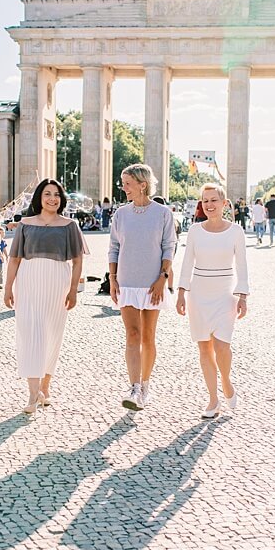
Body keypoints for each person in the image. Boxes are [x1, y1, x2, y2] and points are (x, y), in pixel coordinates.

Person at [3, 179, 87, 414]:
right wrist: (8, 287)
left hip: (57, 282)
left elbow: (78, 260)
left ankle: (45, 387)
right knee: (30, 333)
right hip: (29, 281)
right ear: (39, 197)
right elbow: (14, 259)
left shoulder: (70, 225)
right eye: (48, 194)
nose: (52, 199)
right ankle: (32, 393)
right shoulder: (25, 224)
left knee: (52, 334)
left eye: (57, 195)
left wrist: (73, 289)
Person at [176, 183, 248, 419]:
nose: (209, 205)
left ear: (224, 203)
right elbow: (187, 264)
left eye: (213, 200)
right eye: (205, 200)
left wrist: (243, 296)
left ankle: (226, 382)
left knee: (222, 346)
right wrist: (181, 292)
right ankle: (213, 399)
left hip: (225, 293)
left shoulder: (236, 231)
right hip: (198, 293)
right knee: (204, 347)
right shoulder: (195, 231)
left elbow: (242, 267)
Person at [108, 163, 176, 412]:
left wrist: (163, 277)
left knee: (147, 336)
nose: (123, 187)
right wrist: (113, 279)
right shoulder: (121, 214)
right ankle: (134, 387)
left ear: (142, 184)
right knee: (132, 334)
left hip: (152, 283)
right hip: (126, 282)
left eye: (127, 183)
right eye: (123, 183)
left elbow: (170, 246)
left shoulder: (162, 213)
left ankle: (145, 384)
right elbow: (114, 247)